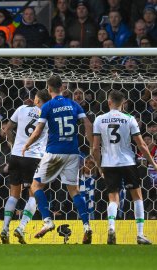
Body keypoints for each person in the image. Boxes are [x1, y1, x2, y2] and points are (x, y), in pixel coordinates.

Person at [22, 75, 94, 244]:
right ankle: (86, 226)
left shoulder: (47, 106)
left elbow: (38, 131)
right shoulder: (73, 104)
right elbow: (88, 125)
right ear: (62, 87)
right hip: (72, 152)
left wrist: (26, 145)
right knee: (74, 191)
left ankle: (47, 221)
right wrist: (92, 147)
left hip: (54, 151)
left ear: (48, 89)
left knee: (35, 186)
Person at [92, 90, 155, 245]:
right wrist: (153, 163)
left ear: (108, 102)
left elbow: (94, 149)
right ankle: (140, 234)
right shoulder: (129, 119)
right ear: (123, 103)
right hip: (127, 162)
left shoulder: (99, 119)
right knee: (137, 197)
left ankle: (111, 228)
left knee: (113, 198)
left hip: (109, 164)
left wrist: (99, 166)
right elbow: (141, 144)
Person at [0, 89, 51, 244]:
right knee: (34, 194)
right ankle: (21, 228)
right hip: (34, 158)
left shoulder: (21, 109)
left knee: (14, 194)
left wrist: (12, 144)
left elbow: (7, 129)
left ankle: (4, 228)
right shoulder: (48, 116)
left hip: (16, 156)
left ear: (36, 100)